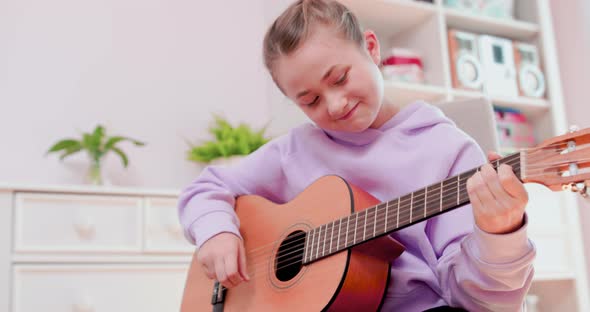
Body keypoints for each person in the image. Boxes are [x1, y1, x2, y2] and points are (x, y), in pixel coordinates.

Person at [178, 0, 535, 311]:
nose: (334, 104)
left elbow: (481, 303)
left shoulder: (448, 150)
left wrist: (499, 234)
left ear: (371, 48)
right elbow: (205, 188)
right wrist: (216, 232)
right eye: (310, 101)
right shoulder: (296, 149)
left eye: (340, 78)